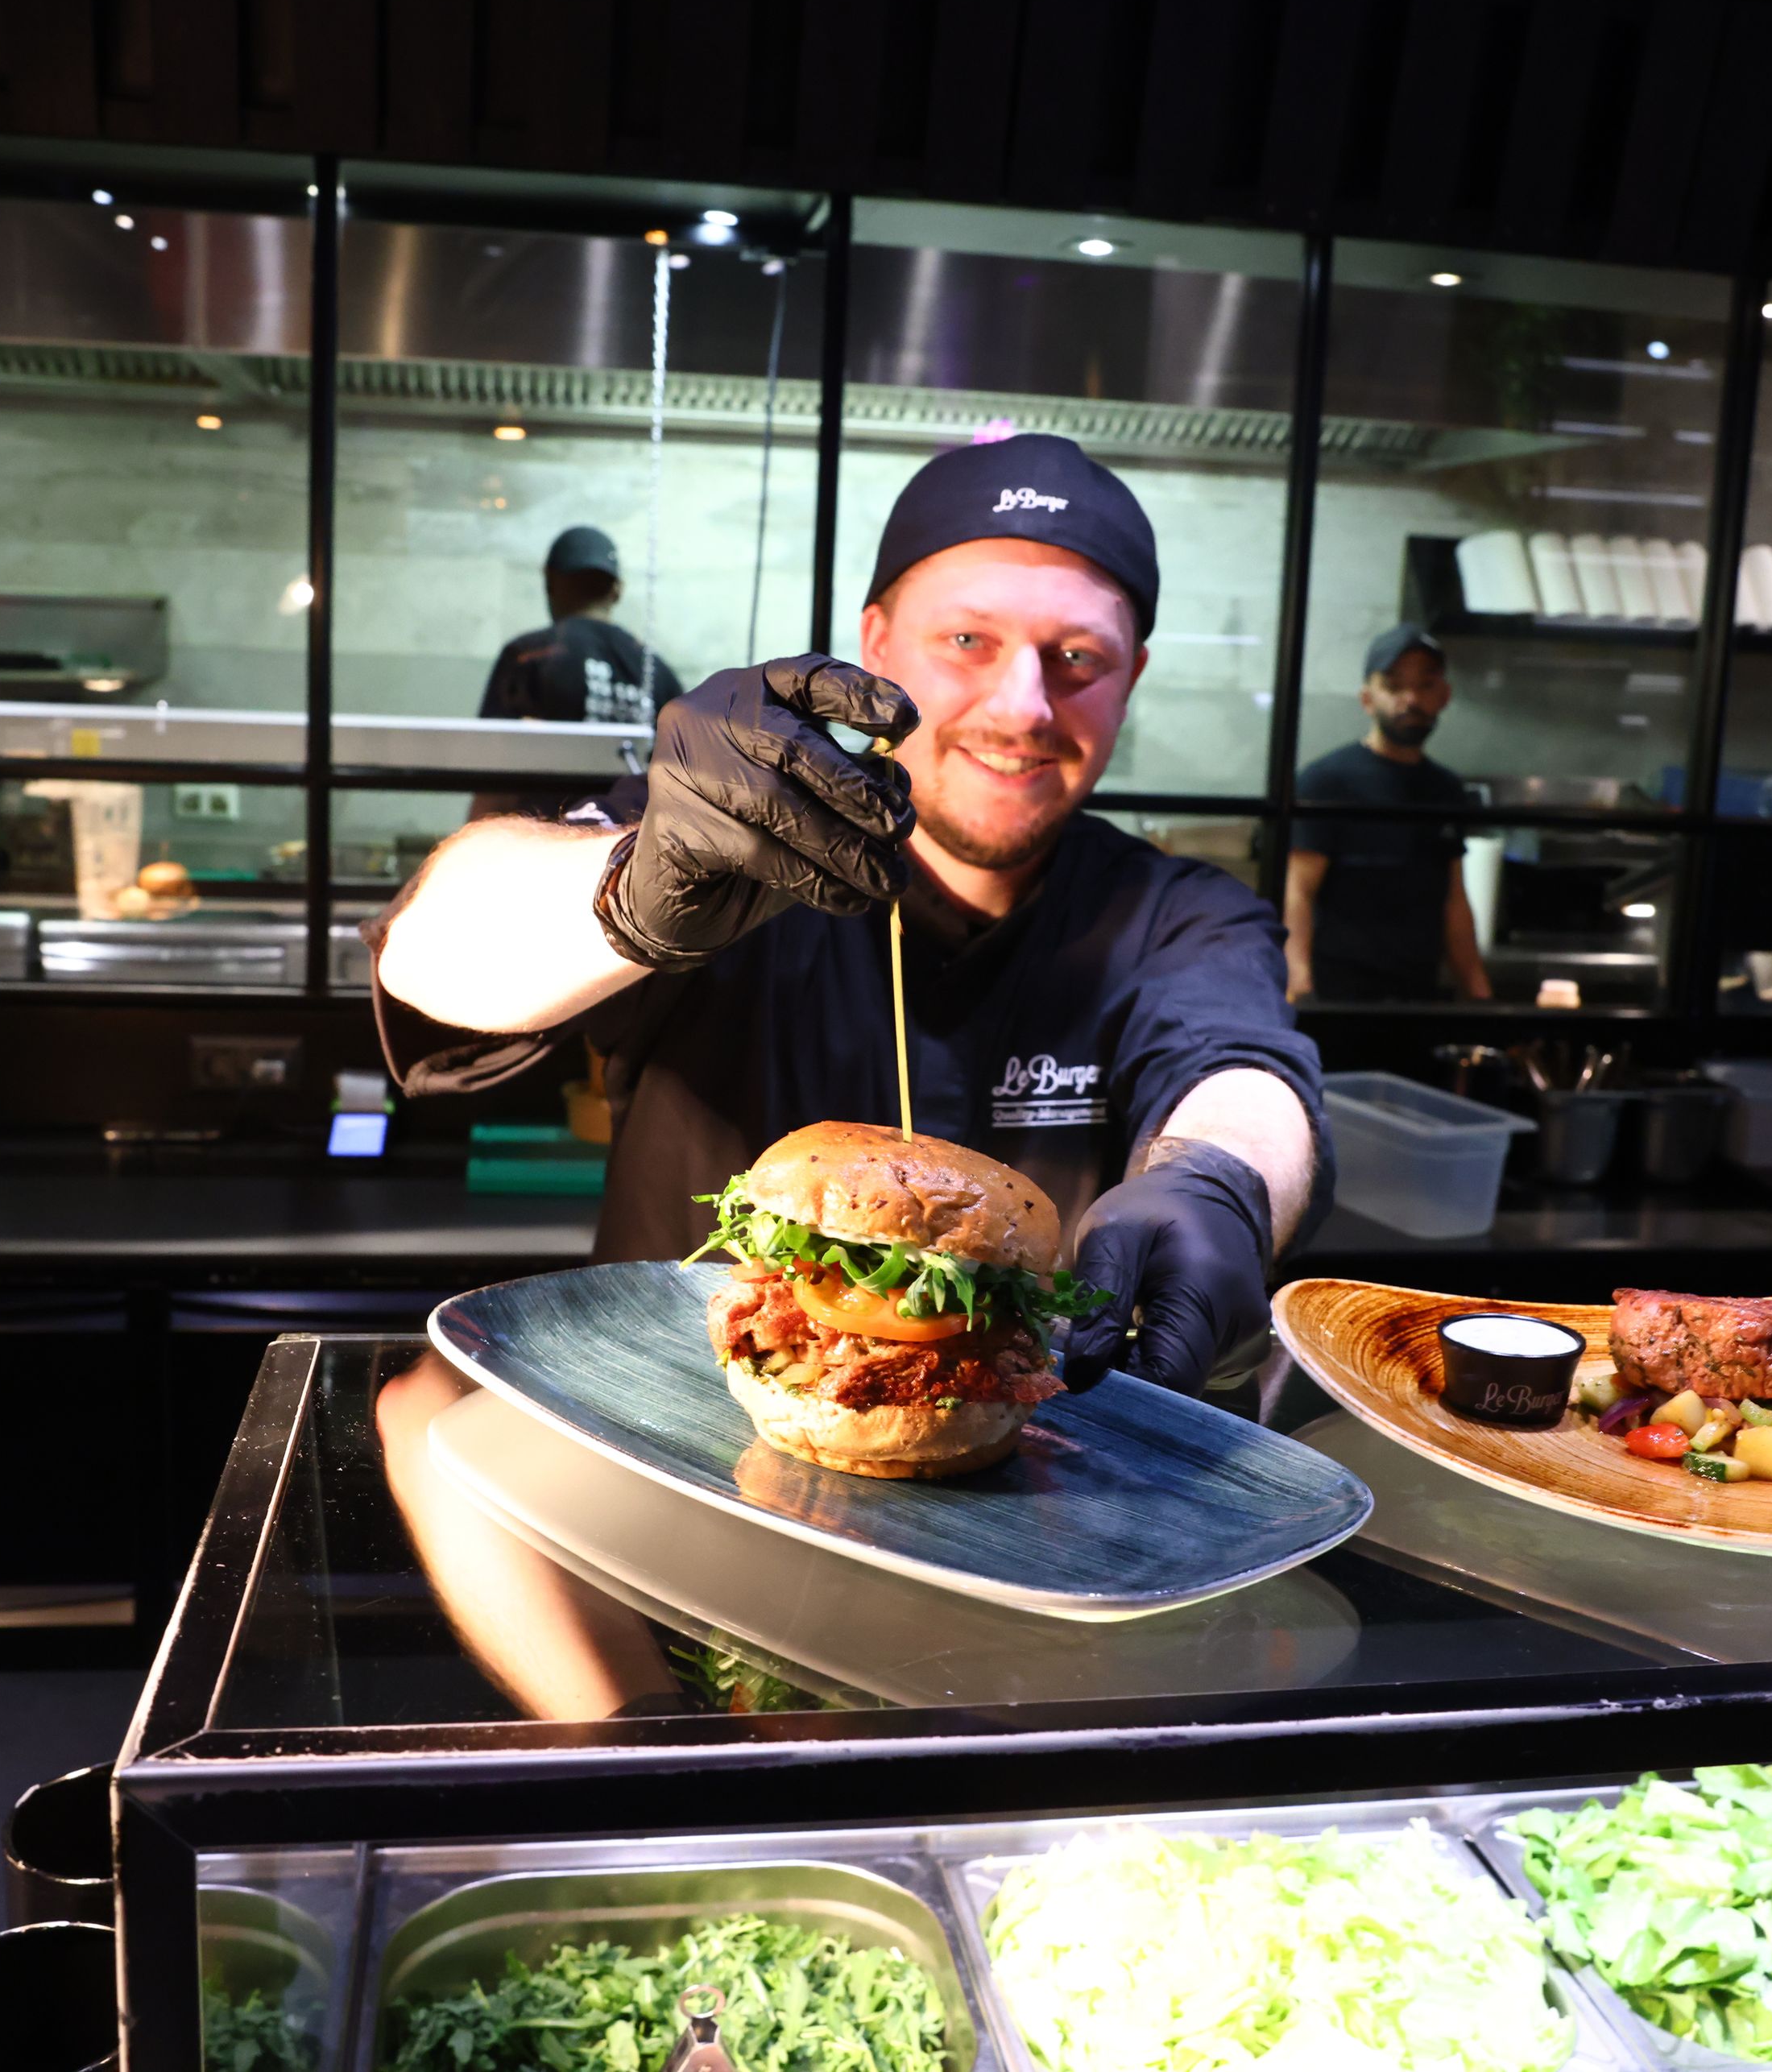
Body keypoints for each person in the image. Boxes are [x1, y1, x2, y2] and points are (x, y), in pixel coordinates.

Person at [366, 433, 1326, 1718]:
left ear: (1132, 675)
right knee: (437, 1410)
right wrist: (632, 888)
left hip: (1035, 1555)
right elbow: (438, 947)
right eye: (969, 642)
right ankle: (657, 1771)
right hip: (673, 1512)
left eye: (1078, 659)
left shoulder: (1178, 909)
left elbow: (1246, 1069)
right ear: (877, 645)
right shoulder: (725, 835)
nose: (1026, 704)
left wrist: (1213, 1179)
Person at [1283, 624, 1492, 1003]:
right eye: (1394, 685)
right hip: (1338, 996)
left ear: (1443, 696)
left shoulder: (1445, 789)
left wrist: (1479, 996)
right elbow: (1298, 890)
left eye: (1425, 685)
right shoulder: (1326, 781)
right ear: (1367, 699)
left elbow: (1453, 898)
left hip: (1418, 995)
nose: (1411, 699)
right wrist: (1298, 985)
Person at [469, 526, 685, 821]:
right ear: (617, 591)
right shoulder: (657, 672)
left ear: (550, 584)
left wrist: (475, 846)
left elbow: (492, 771)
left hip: (543, 844)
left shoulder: (527, 656)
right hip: (628, 851)